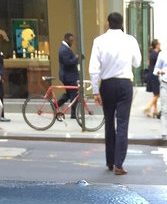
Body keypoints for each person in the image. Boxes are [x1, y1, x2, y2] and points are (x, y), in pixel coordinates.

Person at [89, 11, 142, 176]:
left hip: (107, 84)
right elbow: (137, 62)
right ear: (122, 23)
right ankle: (119, 163)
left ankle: (110, 161)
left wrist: (96, 91)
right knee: (122, 124)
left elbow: (93, 68)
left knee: (109, 122)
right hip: (125, 83)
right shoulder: (130, 40)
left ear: (107, 23)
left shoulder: (99, 41)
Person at [58, 33, 80, 119]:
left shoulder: (65, 48)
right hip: (69, 76)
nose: (72, 42)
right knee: (74, 95)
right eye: (71, 40)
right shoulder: (64, 49)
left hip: (68, 76)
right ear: (66, 39)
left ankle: (56, 105)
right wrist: (76, 58)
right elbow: (67, 62)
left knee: (69, 94)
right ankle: (74, 114)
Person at [142, 40, 161, 118]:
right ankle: (148, 107)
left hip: (150, 74)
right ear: (156, 45)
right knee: (158, 94)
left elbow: (148, 63)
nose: (160, 45)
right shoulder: (157, 55)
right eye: (159, 44)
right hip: (155, 75)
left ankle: (155, 111)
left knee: (155, 93)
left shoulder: (151, 54)